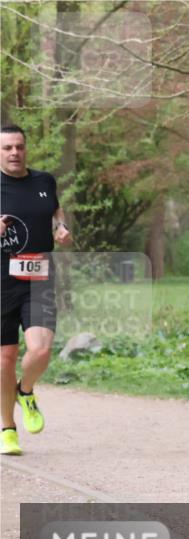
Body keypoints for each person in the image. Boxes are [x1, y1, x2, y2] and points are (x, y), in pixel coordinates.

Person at [1, 124, 72, 456]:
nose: (14, 153)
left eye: (19, 147)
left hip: (39, 276)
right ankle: (7, 428)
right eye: (7, 148)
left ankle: (25, 390)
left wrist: (60, 227)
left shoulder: (44, 181)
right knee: (6, 357)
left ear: (25, 148)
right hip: (2, 282)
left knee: (41, 350)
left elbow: (55, 211)